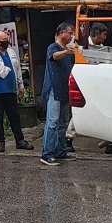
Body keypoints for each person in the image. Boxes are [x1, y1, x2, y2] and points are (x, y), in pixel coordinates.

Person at [0, 30, 33, 152]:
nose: (7, 42)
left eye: (7, 39)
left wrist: (21, 85)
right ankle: (0, 142)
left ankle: (20, 140)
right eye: (4, 40)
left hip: (11, 90)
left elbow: (17, 69)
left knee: (15, 116)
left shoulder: (11, 53)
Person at [66, 22, 108, 152]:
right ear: (96, 34)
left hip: (97, 81)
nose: (105, 37)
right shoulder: (79, 45)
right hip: (82, 81)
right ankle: (68, 137)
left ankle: (111, 141)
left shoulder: (100, 47)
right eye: (104, 35)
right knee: (82, 108)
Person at [40, 22, 77, 166]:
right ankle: (47, 153)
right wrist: (66, 52)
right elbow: (54, 56)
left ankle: (60, 151)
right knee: (53, 122)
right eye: (69, 33)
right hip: (54, 90)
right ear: (61, 33)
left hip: (65, 89)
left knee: (63, 123)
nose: (71, 36)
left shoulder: (69, 51)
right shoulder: (54, 47)